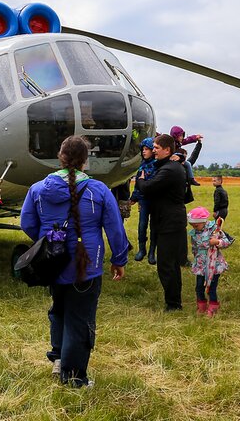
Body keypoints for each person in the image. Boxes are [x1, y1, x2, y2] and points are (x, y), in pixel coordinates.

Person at [21, 135, 130, 387]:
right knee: (79, 319)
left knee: (58, 309)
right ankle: (74, 378)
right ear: (85, 160)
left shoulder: (38, 189)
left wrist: (46, 242)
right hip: (87, 266)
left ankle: (59, 357)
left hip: (51, 263)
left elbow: (27, 222)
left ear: (60, 156)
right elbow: (115, 228)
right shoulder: (99, 190)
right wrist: (119, 258)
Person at [136, 133, 188, 311]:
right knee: (172, 264)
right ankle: (174, 302)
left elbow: (148, 189)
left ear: (167, 149)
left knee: (166, 265)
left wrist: (141, 179)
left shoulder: (169, 170)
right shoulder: (170, 166)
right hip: (169, 222)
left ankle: (173, 305)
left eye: (157, 148)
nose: (153, 151)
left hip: (169, 223)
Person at [186, 208, 231, 317]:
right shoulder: (195, 233)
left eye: (196, 225)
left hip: (213, 264)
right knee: (199, 286)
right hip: (201, 265)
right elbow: (194, 247)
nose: (194, 228)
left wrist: (217, 242)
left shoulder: (215, 230)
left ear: (203, 221)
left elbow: (227, 242)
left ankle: (213, 306)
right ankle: (201, 305)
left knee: (211, 287)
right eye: (192, 226)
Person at [129, 137, 157, 263]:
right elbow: (137, 185)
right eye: (143, 149)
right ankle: (142, 250)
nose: (144, 152)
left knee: (154, 227)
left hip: (156, 201)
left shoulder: (158, 164)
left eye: (147, 149)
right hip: (144, 201)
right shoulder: (142, 165)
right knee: (142, 226)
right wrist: (134, 197)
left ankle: (152, 252)